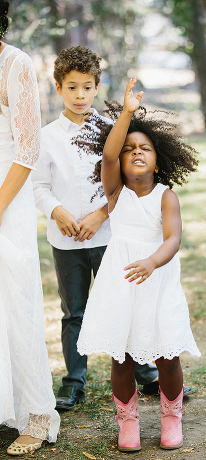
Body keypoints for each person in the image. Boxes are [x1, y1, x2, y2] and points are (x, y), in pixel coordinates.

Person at [74, 78, 200, 451]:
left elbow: (173, 239)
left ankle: (170, 415)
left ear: (159, 158)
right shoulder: (115, 193)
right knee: (123, 354)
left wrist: (152, 261)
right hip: (121, 282)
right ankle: (127, 421)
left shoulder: (166, 196)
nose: (136, 152)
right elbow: (109, 156)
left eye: (145, 148)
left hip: (157, 280)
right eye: (130, 149)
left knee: (167, 354)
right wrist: (127, 115)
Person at [32, 45, 159, 413]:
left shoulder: (110, 130)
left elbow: (128, 182)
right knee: (74, 312)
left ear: (97, 87)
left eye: (87, 87)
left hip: (109, 237)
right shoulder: (46, 137)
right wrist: (57, 211)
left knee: (125, 302)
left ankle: (146, 371)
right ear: (58, 89)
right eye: (72, 87)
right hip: (65, 241)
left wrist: (101, 214)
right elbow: (38, 186)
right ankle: (74, 381)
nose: (80, 95)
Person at [0, 1, 60, 454]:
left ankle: (36, 415)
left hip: (7, 193)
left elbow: (27, 149)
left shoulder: (15, 63)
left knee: (14, 295)